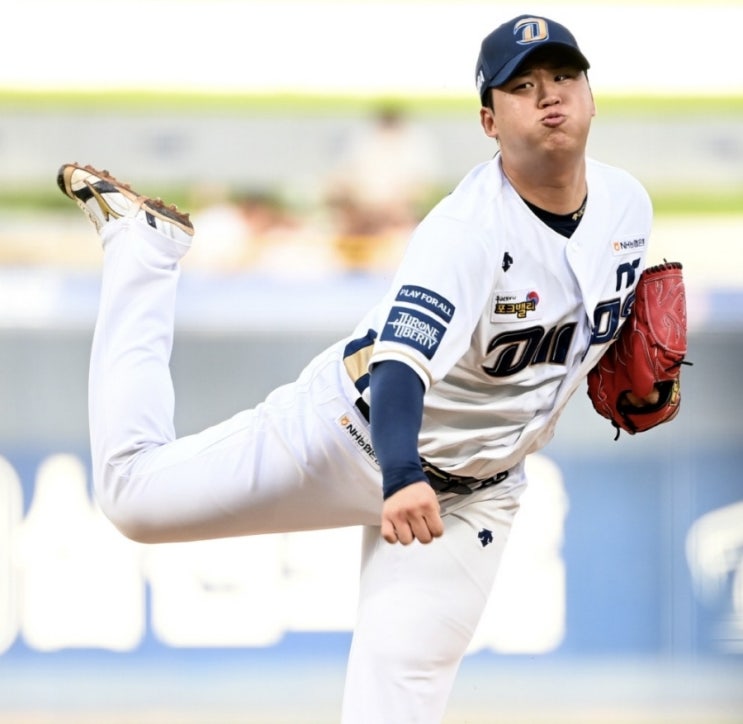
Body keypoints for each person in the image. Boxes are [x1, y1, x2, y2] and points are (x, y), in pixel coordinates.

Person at [57, 14, 658, 723]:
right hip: (353, 435)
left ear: (589, 94)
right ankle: (142, 249)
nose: (549, 95)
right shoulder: (466, 232)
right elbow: (402, 364)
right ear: (488, 121)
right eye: (521, 87)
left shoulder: (627, 206)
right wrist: (400, 477)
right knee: (131, 498)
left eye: (563, 77)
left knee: (393, 708)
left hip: (473, 498)